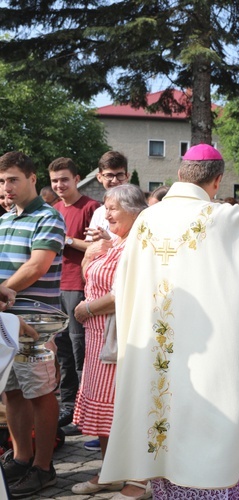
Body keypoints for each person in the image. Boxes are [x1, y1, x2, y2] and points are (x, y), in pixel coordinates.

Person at [98, 145, 239, 497]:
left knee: (164, 434)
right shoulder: (217, 218)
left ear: (180, 174)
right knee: (210, 443)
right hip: (208, 357)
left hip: (157, 353)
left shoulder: (147, 220)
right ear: (217, 181)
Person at [69, 184, 149, 498]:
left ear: (134, 209)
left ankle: (137, 479)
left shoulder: (139, 244)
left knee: (121, 410)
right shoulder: (117, 241)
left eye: (112, 207)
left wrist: (86, 309)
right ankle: (110, 471)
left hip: (121, 338)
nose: (107, 213)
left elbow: (126, 293)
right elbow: (92, 275)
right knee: (103, 411)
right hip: (98, 337)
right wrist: (93, 253)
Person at [0, 151, 66, 497]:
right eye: (1, 181)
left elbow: (38, 265)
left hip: (37, 319)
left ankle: (44, 467)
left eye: (12, 179)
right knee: (11, 390)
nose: (6, 187)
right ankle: (21, 457)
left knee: (40, 392)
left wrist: (4, 289)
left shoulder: (49, 217)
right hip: (6, 319)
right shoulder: (5, 220)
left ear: (32, 179)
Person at [49, 157, 100, 430]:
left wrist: (65, 239)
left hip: (78, 284)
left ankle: (86, 410)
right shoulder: (53, 208)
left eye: (64, 179)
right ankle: (68, 407)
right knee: (63, 352)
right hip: (55, 284)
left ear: (76, 178)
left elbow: (96, 248)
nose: (59, 185)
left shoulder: (91, 207)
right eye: (55, 180)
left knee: (80, 348)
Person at [86, 151, 130, 242]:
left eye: (120, 175)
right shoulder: (99, 212)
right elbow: (91, 245)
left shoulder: (137, 210)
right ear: (99, 177)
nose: (114, 180)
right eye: (109, 175)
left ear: (127, 176)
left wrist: (109, 241)